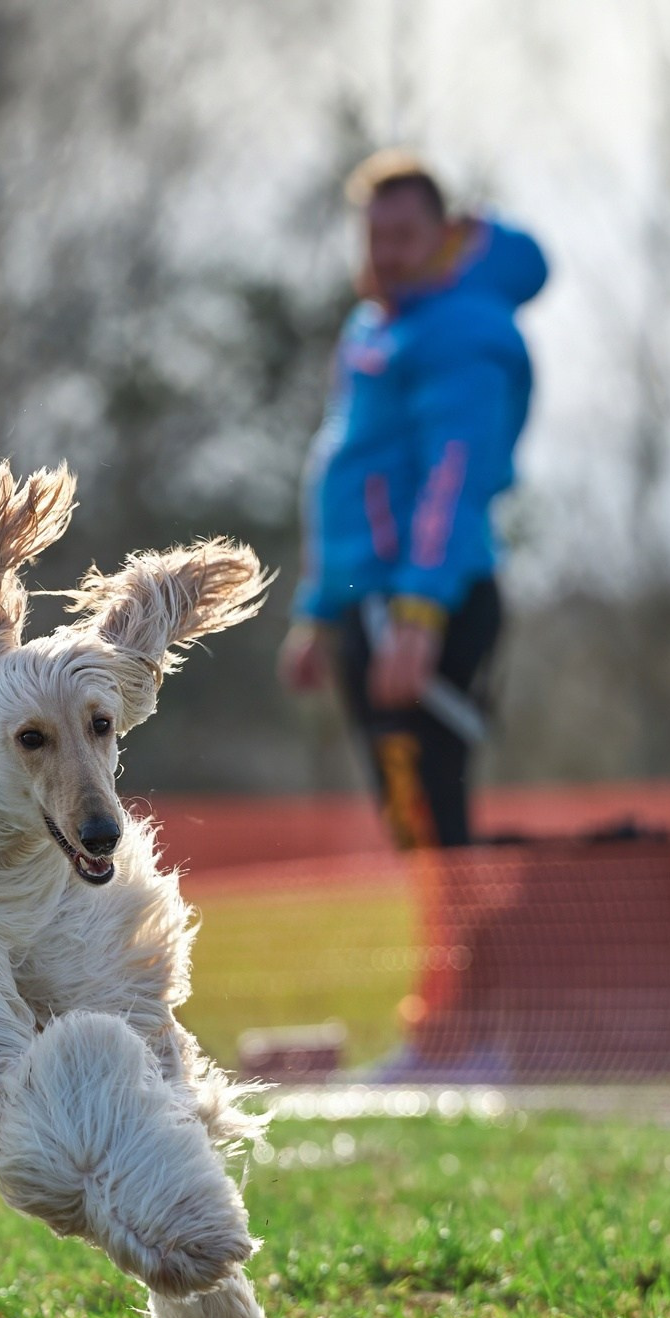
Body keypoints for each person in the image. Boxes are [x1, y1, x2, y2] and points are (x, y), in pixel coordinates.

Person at [279, 149, 546, 850]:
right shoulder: (378, 324)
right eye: (375, 237)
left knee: (430, 823)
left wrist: (420, 611)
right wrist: (319, 609)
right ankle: (471, 955)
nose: (386, 254)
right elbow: (349, 473)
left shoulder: (460, 330)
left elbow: (453, 479)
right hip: (368, 600)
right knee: (414, 825)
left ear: (445, 233)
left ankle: (529, 947)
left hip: (421, 601)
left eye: (403, 236)